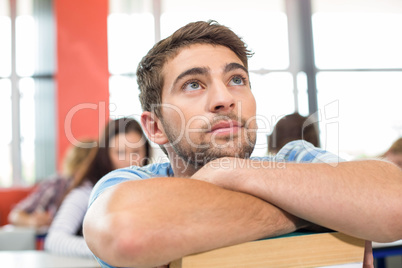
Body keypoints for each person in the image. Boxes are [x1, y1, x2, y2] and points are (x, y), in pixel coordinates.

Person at [83, 21, 402, 268]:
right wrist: (325, 209)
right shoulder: (132, 184)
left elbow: (395, 201)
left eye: (237, 80)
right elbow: (128, 232)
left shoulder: (294, 157)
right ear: (155, 127)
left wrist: (231, 171)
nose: (225, 99)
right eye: (193, 85)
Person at [45, 118, 150, 258]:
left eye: (136, 151)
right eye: (120, 152)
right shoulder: (86, 191)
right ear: (106, 155)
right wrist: (110, 250)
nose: (130, 160)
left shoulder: (150, 187)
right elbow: (54, 240)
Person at [7, 140, 94, 230]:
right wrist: (32, 221)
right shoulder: (57, 184)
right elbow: (14, 215)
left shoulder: (101, 187)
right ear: (75, 165)